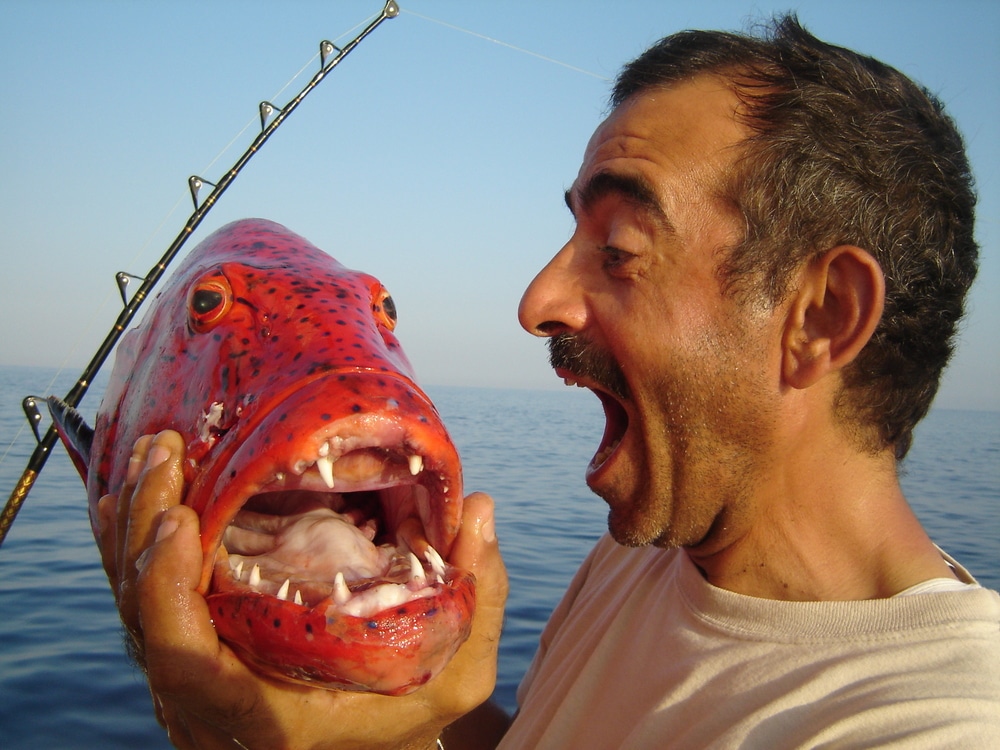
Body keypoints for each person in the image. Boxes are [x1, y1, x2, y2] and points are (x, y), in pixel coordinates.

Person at [98, 14, 999, 749]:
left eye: (618, 249)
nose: (537, 301)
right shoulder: (641, 558)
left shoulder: (931, 726)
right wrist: (412, 715)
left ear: (820, 317)